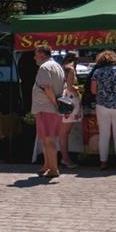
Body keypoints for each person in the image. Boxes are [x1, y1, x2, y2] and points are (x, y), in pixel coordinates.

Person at [91, 50, 116, 171]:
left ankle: (103, 163)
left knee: (104, 134)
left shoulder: (97, 72)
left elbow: (93, 90)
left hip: (102, 105)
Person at [32, 45, 65, 177]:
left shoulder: (44, 67)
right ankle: (47, 165)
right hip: (50, 108)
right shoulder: (57, 66)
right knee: (45, 139)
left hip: (46, 107)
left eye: (36, 55)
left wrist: (55, 104)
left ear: (42, 55)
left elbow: (47, 87)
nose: (34, 58)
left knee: (48, 139)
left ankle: (53, 168)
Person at [58, 51, 81, 168]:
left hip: (63, 100)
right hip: (70, 101)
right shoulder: (70, 69)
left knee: (63, 133)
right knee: (64, 133)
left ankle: (65, 157)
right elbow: (70, 87)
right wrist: (78, 89)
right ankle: (65, 158)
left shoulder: (61, 68)